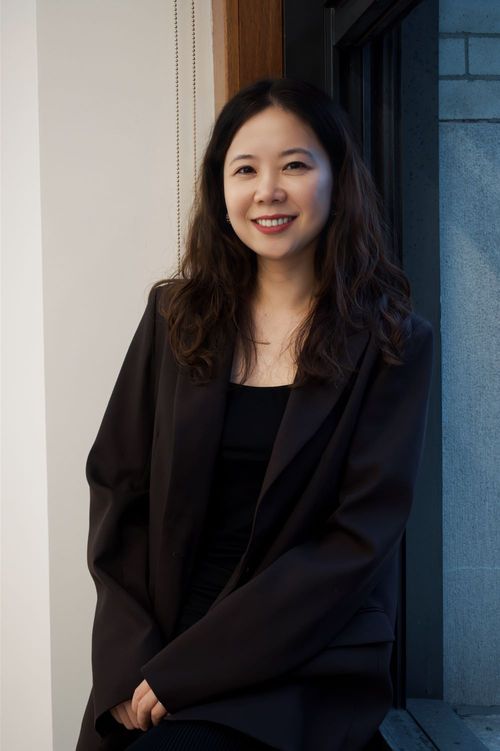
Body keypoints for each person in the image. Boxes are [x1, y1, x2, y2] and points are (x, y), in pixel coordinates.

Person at [76, 77, 434, 751]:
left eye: (294, 165)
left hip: (299, 653)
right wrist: (129, 663)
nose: (268, 190)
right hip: (162, 639)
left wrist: (190, 670)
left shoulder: (393, 343)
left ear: (337, 180)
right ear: (221, 191)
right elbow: (118, 490)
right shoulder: (174, 317)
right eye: (245, 170)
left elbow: (356, 540)